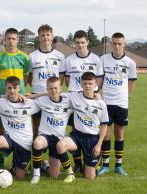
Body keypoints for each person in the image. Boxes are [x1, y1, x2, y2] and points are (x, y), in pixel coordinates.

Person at [56, 72, 108, 182]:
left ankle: (95, 166)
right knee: (61, 145)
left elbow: (104, 125)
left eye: (90, 83)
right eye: (85, 83)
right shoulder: (74, 96)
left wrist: (99, 145)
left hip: (92, 139)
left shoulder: (101, 104)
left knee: (89, 177)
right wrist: (34, 96)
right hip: (77, 136)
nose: (87, 86)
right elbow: (55, 92)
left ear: (95, 85)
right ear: (81, 84)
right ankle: (70, 174)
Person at [64, 30, 104, 172]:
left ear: (87, 42)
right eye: (77, 42)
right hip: (74, 101)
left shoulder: (96, 60)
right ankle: (78, 164)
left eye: (82, 42)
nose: (80, 45)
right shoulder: (69, 60)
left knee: (90, 128)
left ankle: (93, 158)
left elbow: (99, 80)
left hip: (90, 100)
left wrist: (96, 93)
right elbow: (67, 80)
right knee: (75, 130)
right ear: (74, 43)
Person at [98, 33, 137, 176]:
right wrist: (97, 92)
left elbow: (131, 82)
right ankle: (106, 164)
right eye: (114, 43)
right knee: (106, 134)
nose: (117, 46)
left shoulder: (130, 62)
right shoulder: (104, 59)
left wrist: (125, 97)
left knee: (119, 133)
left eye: (119, 43)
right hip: (106, 102)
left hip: (121, 103)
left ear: (124, 44)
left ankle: (118, 165)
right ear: (111, 43)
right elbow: (100, 78)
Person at [0, 76, 40, 180]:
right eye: (9, 88)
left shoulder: (29, 103)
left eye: (15, 88)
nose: (12, 91)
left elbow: (51, 96)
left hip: (25, 142)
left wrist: (33, 96)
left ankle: (19, 167)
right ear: (5, 88)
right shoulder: (0, 102)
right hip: (10, 138)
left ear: (19, 88)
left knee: (20, 177)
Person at [0, 28, 30, 168]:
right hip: (4, 99)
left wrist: (18, 91)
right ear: (4, 40)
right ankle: (0, 161)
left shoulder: (25, 57)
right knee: (2, 127)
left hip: (20, 99)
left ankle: (20, 161)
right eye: (8, 38)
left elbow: (26, 78)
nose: (11, 41)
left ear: (18, 40)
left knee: (21, 127)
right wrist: (4, 92)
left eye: (14, 38)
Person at [30, 77, 72, 184]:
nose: (54, 90)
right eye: (51, 88)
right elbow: (28, 99)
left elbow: (82, 99)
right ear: (47, 90)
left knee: (54, 175)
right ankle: (36, 174)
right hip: (45, 136)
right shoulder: (42, 100)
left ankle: (46, 165)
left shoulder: (69, 101)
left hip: (58, 140)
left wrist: (97, 95)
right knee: (37, 142)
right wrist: (35, 95)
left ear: (60, 88)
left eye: (56, 88)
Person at [28, 24, 66, 138]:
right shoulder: (32, 56)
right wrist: (39, 89)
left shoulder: (60, 56)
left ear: (52, 36)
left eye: (48, 35)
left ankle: (53, 155)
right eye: (42, 35)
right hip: (37, 97)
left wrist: (53, 91)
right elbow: (30, 78)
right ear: (39, 38)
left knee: (54, 129)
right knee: (36, 129)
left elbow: (61, 77)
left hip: (53, 97)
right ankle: (37, 155)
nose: (45, 37)